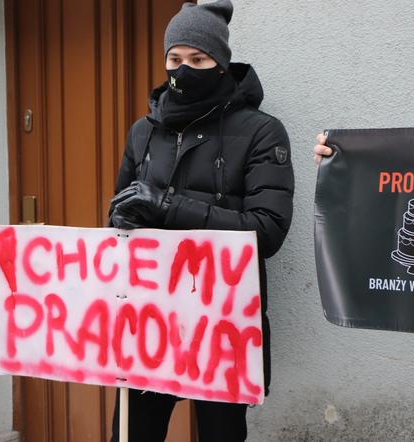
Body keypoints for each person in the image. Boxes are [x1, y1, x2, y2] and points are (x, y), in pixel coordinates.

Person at [107, 1, 295, 441]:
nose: (183, 69)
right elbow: (117, 217)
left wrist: (169, 207)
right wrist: (120, 219)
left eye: (198, 59)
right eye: (174, 59)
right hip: (150, 319)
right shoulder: (143, 132)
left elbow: (267, 230)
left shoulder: (263, 132)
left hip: (222, 322)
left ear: (220, 63)